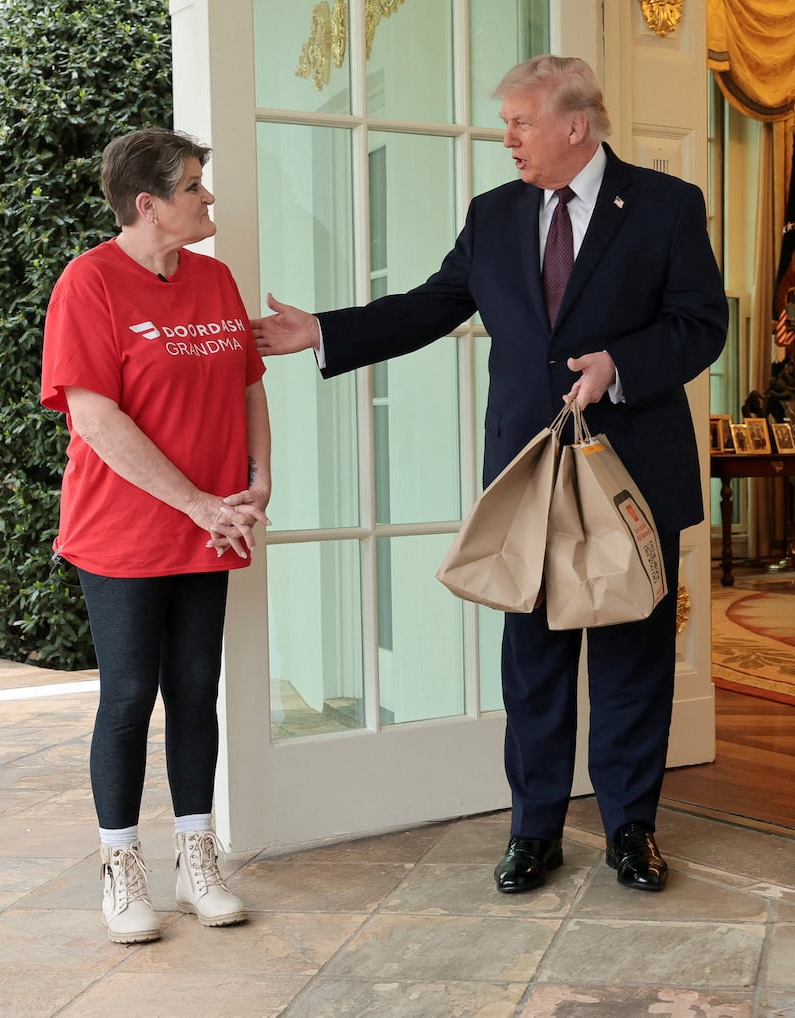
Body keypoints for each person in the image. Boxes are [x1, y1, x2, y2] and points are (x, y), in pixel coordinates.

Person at [253, 55, 728, 894]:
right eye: (506, 121)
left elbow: (701, 324)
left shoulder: (665, 207)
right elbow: (434, 304)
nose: (506, 136)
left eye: (520, 121)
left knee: (631, 661)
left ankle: (630, 833)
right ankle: (535, 832)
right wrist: (322, 332)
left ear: (575, 125)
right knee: (534, 661)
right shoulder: (495, 213)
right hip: (527, 478)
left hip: (633, 477)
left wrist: (618, 364)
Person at [41, 128, 271, 943]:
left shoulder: (214, 279)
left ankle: (197, 859)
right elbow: (97, 422)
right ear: (149, 205)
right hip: (124, 533)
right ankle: (120, 868)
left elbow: (248, 385)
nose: (208, 199)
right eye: (195, 187)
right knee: (131, 697)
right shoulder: (89, 284)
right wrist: (198, 503)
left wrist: (256, 479)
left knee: (195, 693)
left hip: (210, 528)